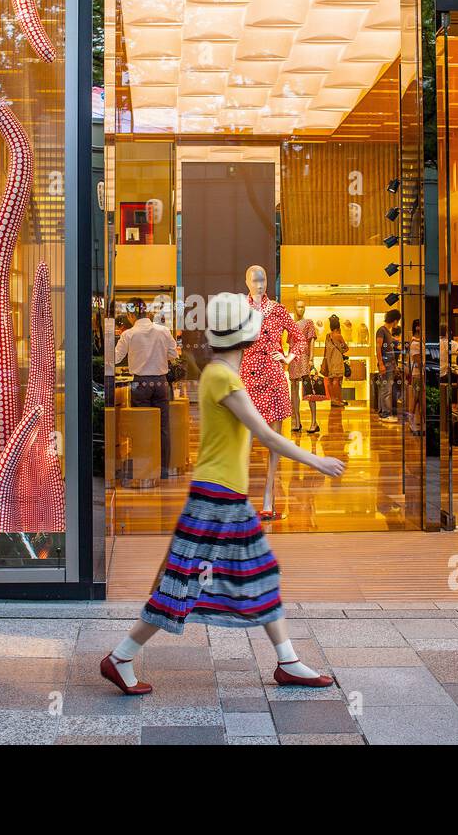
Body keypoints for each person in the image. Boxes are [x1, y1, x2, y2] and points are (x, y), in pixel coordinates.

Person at [100, 293, 347, 696]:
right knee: (182, 582)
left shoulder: (220, 374)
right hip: (217, 498)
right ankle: (122, 655)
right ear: (248, 338)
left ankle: (287, 661)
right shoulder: (223, 378)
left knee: (250, 574)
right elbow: (266, 434)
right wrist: (316, 461)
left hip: (223, 496)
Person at [240, 265, 309, 521]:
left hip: (273, 375)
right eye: (255, 279)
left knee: (274, 442)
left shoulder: (277, 309)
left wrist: (288, 358)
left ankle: (268, 497)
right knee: (244, 442)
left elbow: (299, 339)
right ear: (246, 281)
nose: (260, 284)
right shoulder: (239, 310)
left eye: (264, 279)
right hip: (247, 377)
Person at [114, 298, 179, 478]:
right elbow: (173, 354)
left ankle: (144, 468)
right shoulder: (163, 331)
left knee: (142, 427)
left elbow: (115, 358)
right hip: (160, 383)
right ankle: (163, 469)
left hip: (140, 384)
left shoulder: (129, 334)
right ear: (147, 312)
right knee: (163, 427)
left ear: (131, 314)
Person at [286, 299, 320, 434]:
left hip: (305, 357)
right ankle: (296, 421)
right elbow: (290, 343)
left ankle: (314, 421)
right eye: (299, 307)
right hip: (293, 357)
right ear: (295, 308)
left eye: (303, 307)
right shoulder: (291, 324)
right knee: (293, 389)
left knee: (309, 389)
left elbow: (311, 340)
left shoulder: (309, 323)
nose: (301, 309)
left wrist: (312, 358)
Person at [322, 314, 349, 407]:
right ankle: (337, 400)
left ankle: (333, 399)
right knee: (337, 380)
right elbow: (346, 348)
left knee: (330, 380)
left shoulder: (327, 336)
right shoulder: (339, 336)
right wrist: (341, 349)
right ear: (338, 326)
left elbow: (326, 349)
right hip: (337, 359)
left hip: (329, 359)